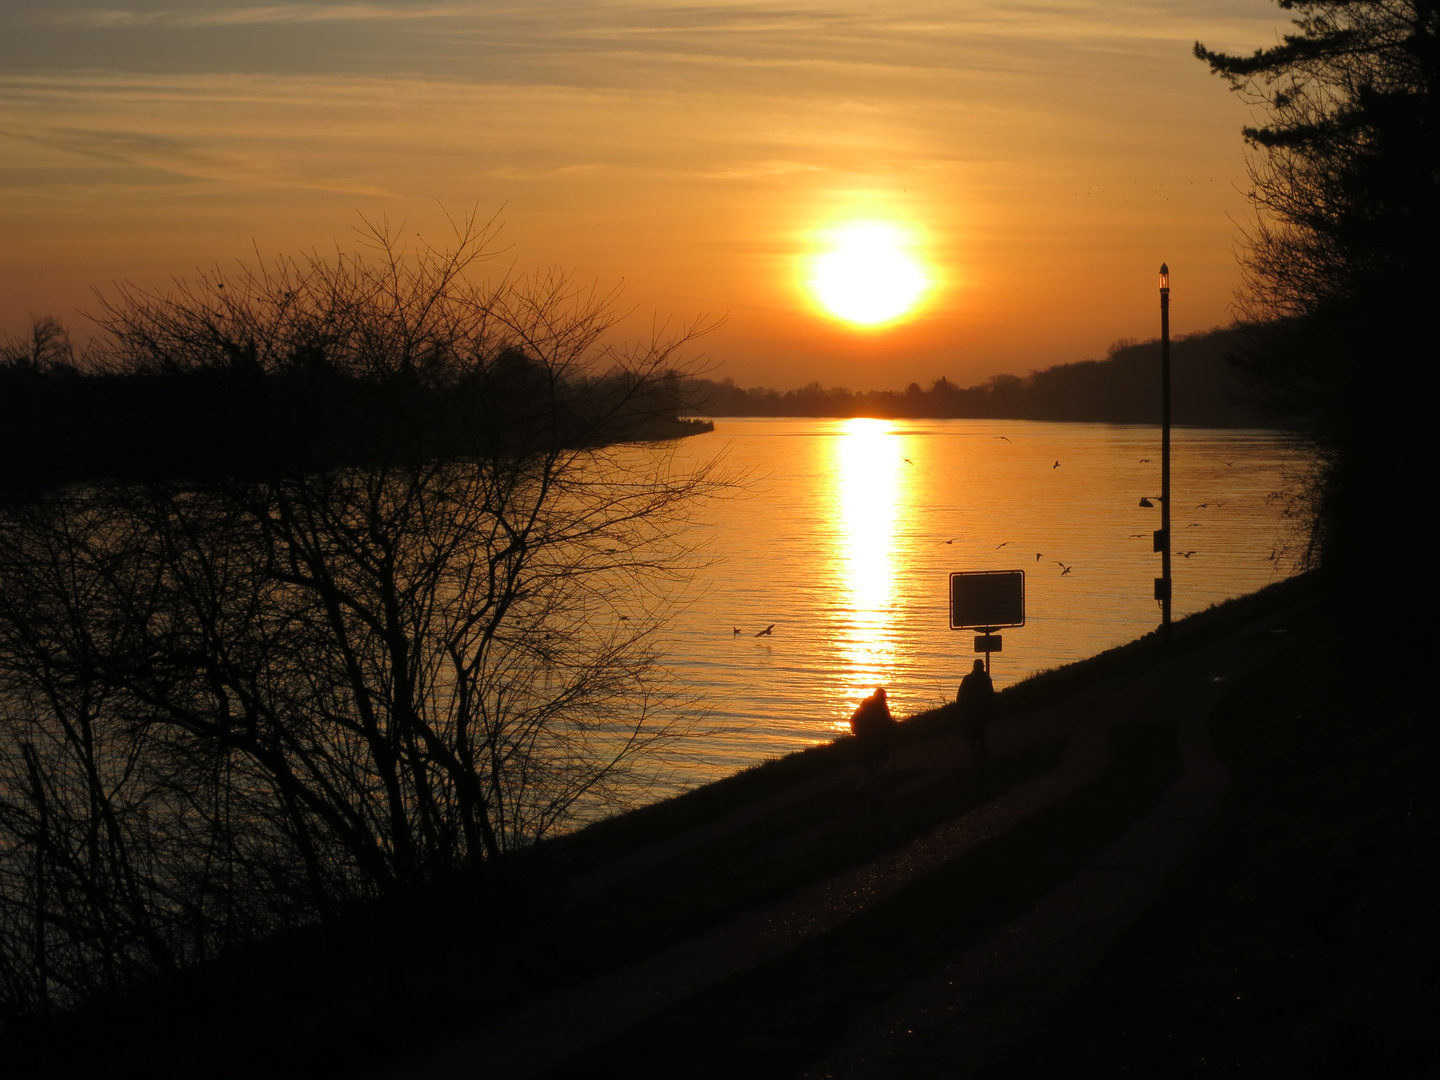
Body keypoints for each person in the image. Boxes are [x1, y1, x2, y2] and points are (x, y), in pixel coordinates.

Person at [850, 687, 897, 800]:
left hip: (865, 741)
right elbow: (887, 722)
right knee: (879, 766)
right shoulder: (881, 708)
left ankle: (861, 789)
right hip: (878, 741)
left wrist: (858, 735)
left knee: (868, 766)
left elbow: (853, 720)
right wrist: (894, 734)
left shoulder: (864, 706)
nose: (885, 699)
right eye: (884, 697)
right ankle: (875, 793)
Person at [956, 659, 995, 762]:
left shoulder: (973, 678)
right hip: (975, 709)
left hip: (975, 708)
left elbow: (961, 694)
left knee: (978, 730)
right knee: (977, 730)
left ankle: (978, 750)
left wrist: (960, 706)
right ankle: (976, 750)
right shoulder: (982, 678)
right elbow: (990, 693)